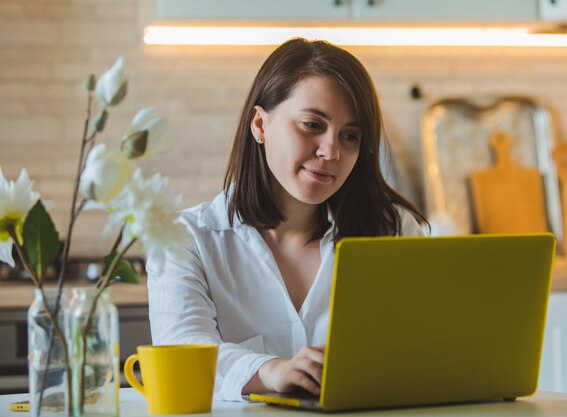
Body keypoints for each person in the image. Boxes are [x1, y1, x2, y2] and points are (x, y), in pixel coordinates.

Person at [147, 38, 429, 402]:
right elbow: (182, 348)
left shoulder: (395, 232)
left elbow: (424, 350)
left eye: (350, 136)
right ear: (260, 125)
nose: (331, 151)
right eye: (312, 124)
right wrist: (271, 370)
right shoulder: (185, 239)